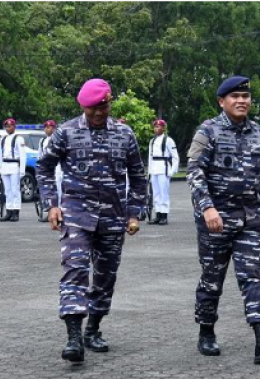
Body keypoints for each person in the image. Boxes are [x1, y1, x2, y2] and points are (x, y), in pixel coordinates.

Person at [36, 78, 147, 363]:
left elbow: (137, 177)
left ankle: (93, 329)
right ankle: (74, 337)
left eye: (103, 106)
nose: (98, 113)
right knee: (75, 270)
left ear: (110, 103)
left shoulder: (125, 134)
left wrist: (134, 213)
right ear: (83, 107)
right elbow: (44, 167)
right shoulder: (66, 132)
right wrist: (51, 205)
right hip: (76, 214)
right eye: (91, 109)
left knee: (105, 276)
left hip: (113, 216)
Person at [186, 75, 260, 363]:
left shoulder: (259, 134)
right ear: (222, 101)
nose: (242, 101)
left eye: (246, 96)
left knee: (252, 277)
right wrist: (207, 207)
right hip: (215, 221)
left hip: (250, 220)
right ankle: (206, 331)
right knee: (211, 280)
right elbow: (194, 173)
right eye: (235, 97)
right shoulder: (208, 131)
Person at [147, 119, 179, 225]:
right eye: (155, 126)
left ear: (163, 128)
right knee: (156, 194)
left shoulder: (168, 140)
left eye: (158, 126)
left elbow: (175, 157)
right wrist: (149, 172)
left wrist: (172, 170)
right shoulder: (152, 141)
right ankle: (158, 215)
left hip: (163, 168)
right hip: (154, 169)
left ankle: (164, 216)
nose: (156, 128)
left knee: (163, 193)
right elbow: (150, 157)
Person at [0, 118, 26, 222]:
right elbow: (0, 155)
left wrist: (22, 170)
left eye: (10, 126)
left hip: (14, 166)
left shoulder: (19, 139)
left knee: (15, 190)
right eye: (7, 126)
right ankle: (8, 211)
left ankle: (16, 212)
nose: (9, 128)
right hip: (5, 166)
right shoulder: (3, 139)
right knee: (7, 191)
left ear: (14, 127)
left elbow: (22, 155)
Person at [37, 120, 63, 222]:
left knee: (59, 191)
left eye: (51, 127)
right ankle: (49, 212)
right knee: (48, 190)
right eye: (46, 127)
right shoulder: (42, 140)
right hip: (47, 168)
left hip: (58, 167)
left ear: (54, 128)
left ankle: (60, 212)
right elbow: (40, 156)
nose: (48, 129)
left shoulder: (57, 139)